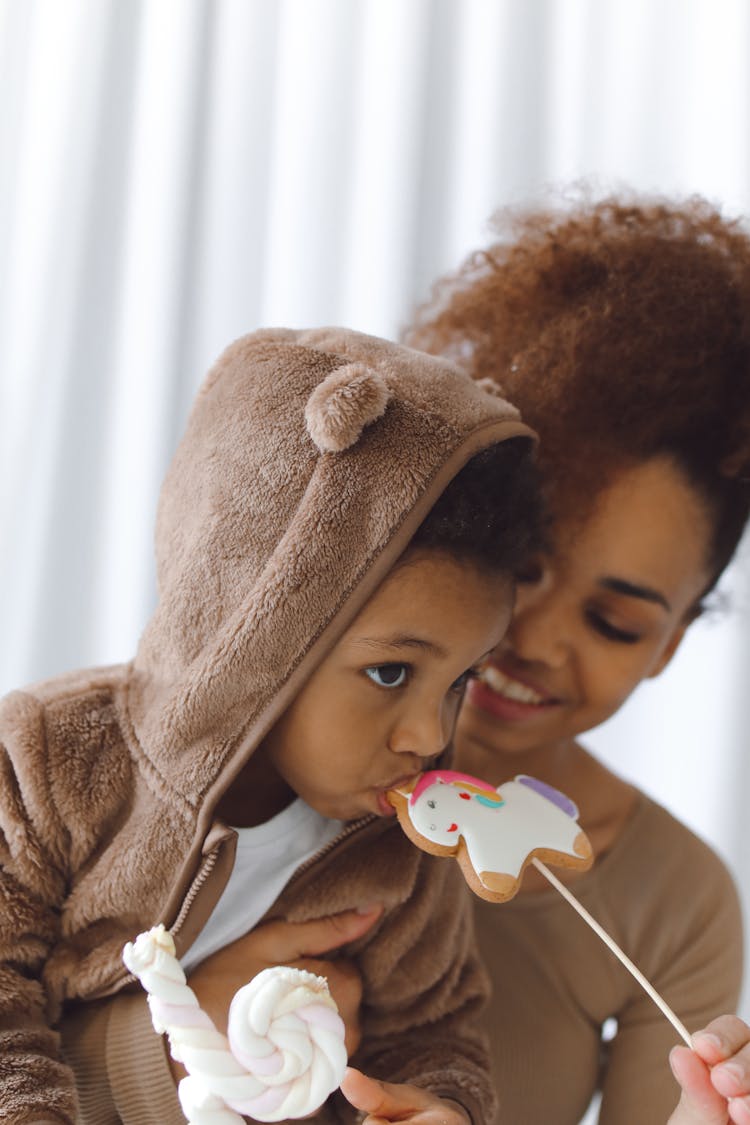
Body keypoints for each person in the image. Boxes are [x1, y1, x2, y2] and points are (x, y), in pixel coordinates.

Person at [0, 325, 547, 1124]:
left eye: (461, 676)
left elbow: (436, 1031)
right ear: (257, 631)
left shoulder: (408, 847)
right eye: (390, 672)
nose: (428, 735)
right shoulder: (47, 762)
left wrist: (442, 1105)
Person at [405, 193, 750, 1125]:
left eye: (614, 622)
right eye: (521, 566)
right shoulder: (271, 748)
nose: (538, 639)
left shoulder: (676, 899)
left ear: (671, 645)